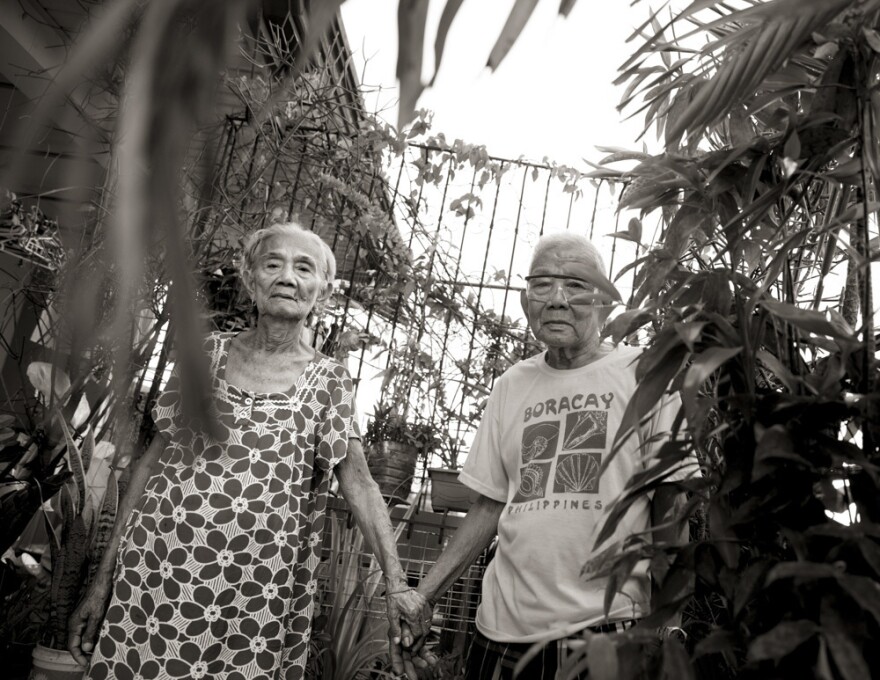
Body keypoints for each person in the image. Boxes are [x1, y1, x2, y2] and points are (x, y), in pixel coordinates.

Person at [68, 221, 433, 680]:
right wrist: (103, 579)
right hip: (154, 575)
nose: (287, 277)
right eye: (272, 263)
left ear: (322, 291)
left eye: (304, 268)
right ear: (249, 277)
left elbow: (359, 484)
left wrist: (397, 585)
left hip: (254, 598)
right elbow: (150, 464)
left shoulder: (330, 382)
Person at [392, 233, 695, 679]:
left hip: (608, 629)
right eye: (542, 285)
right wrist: (423, 597)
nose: (557, 300)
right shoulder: (510, 386)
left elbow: (672, 504)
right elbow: (491, 505)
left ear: (606, 300)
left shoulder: (645, 374)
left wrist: (671, 627)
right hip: (499, 632)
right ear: (524, 300)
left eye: (575, 285)